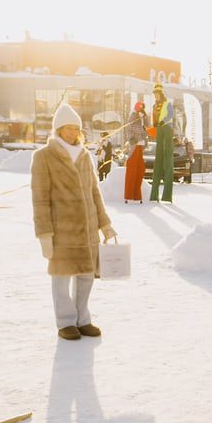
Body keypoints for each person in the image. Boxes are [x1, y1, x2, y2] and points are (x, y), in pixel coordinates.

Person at [32, 102, 116, 341]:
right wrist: (44, 235)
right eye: (66, 128)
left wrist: (105, 224)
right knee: (61, 278)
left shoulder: (85, 156)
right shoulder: (43, 157)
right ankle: (66, 321)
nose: (71, 133)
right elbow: (39, 199)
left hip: (88, 229)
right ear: (57, 130)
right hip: (62, 230)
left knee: (87, 276)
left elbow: (94, 192)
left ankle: (82, 319)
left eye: (75, 129)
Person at [149, 82, 174, 202]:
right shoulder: (154, 106)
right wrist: (154, 124)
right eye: (155, 94)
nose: (156, 96)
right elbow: (153, 117)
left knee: (167, 157)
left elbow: (171, 114)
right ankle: (154, 195)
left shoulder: (168, 104)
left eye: (157, 94)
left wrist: (163, 121)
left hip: (166, 128)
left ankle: (167, 196)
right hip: (159, 129)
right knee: (158, 158)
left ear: (161, 94)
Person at [123, 102, 148, 203]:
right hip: (134, 146)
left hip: (141, 145)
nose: (140, 110)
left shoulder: (143, 116)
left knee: (140, 170)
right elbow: (130, 126)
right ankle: (129, 195)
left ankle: (137, 195)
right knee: (132, 171)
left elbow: (147, 127)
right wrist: (142, 129)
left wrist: (144, 117)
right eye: (139, 108)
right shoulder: (132, 116)